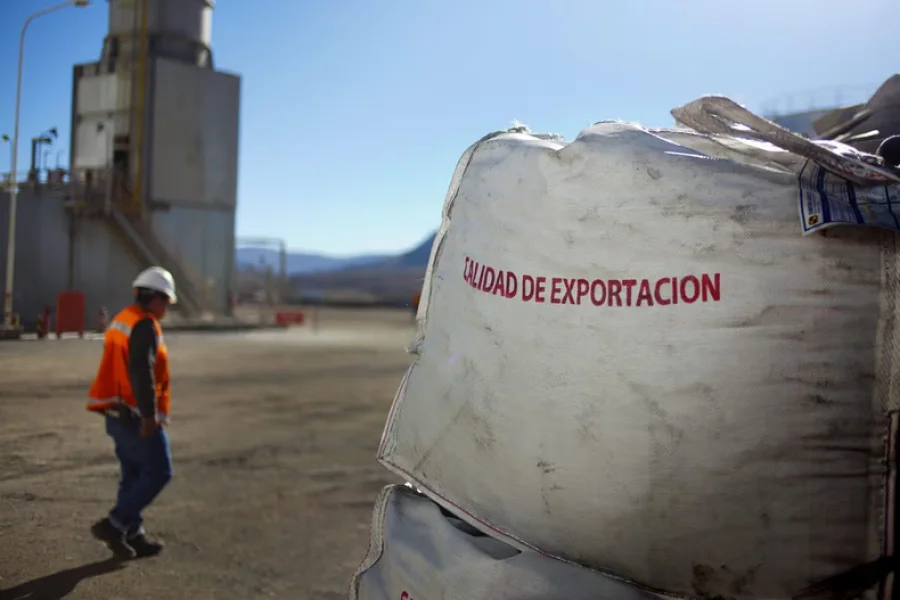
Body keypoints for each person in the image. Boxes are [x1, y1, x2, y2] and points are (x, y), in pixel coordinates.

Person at [85, 266, 176, 560]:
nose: (166, 307)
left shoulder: (121, 320)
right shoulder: (144, 325)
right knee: (160, 471)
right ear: (153, 297)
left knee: (133, 475)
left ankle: (133, 535)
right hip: (136, 415)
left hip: (116, 413)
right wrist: (149, 416)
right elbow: (140, 371)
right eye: (165, 300)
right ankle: (115, 524)